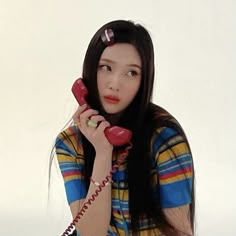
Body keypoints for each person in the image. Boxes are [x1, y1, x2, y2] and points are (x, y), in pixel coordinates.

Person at [53, 20, 195, 236]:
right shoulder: (70, 144)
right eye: (106, 68)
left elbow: (180, 231)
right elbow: (91, 233)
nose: (115, 83)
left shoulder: (164, 138)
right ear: (91, 69)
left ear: (144, 81)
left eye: (131, 73)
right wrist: (102, 152)